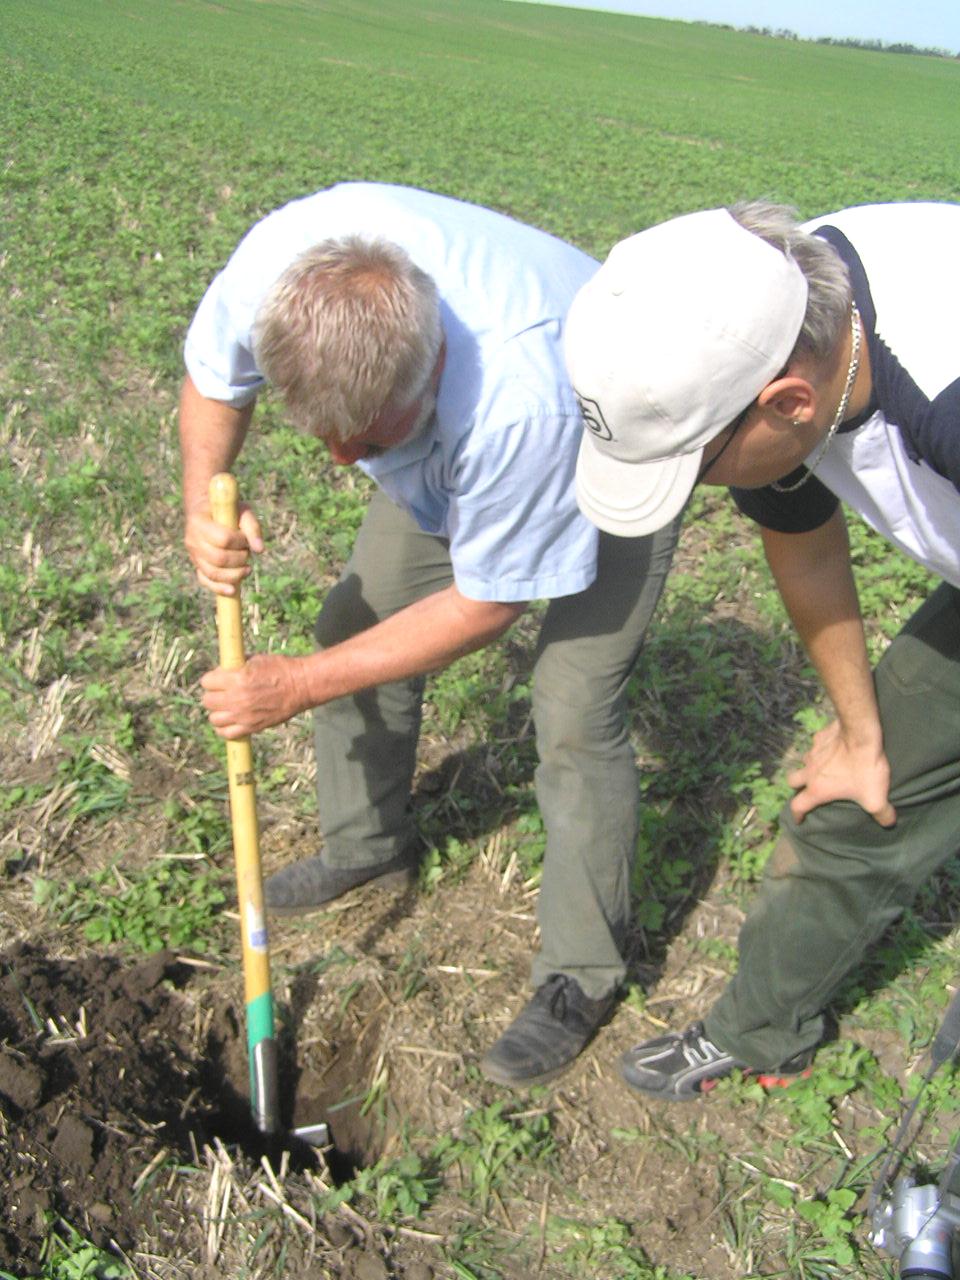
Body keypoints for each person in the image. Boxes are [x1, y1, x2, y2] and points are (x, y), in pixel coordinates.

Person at [179, 182, 679, 1087]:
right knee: (354, 624)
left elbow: (487, 607)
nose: (340, 461)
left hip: (613, 445)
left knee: (572, 709)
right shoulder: (275, 273)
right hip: (465, 440)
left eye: (362, 438)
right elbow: (214, 379)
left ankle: (581, 973)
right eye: (326, 438)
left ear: (430, 371)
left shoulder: (523, 403)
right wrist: (199, 503)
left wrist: (296, 685)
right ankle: (366, 846)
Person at [562, 199, 960, 1099]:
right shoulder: (759, 317)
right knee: (859, 799)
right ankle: (760, 1032)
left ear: (788, 405)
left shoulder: (939, 385)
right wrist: (862, 736)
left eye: (691, 467)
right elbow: (804, 539)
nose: (693, 492)